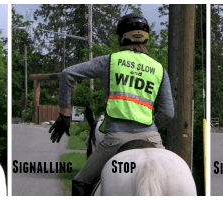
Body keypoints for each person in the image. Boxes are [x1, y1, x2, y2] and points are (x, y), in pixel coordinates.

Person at [47, 13, 174, 196]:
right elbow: (168, 113)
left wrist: (65, 114)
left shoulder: (110, 61)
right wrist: (150, 127)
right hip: (152, 138)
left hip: (116, 139)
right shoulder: (159, 69)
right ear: (146, 38)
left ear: (122, 37)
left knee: (80, 181)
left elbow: (68, 74)